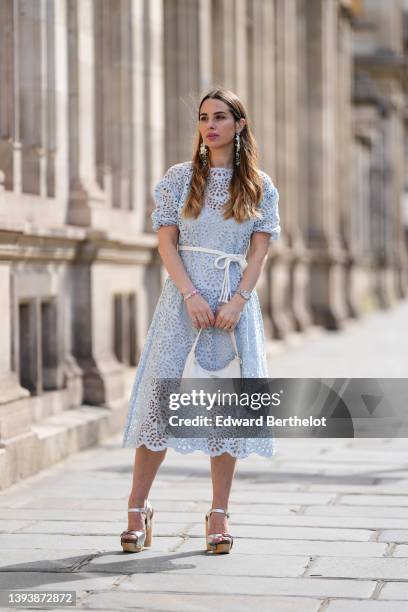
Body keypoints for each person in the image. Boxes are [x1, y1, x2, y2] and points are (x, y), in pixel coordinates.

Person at [121, 87, 281, 555]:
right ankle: (137, 508)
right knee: (160, 401)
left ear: (239, 125)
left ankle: (218, 514)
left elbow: (258, 252)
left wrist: (237, 301)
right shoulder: (178, 179)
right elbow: (166, 244)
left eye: (220, 117)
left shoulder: (258, 186)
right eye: (203, 117)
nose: (209, 125)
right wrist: (191, 294)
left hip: (234, 306)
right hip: (181, 303)